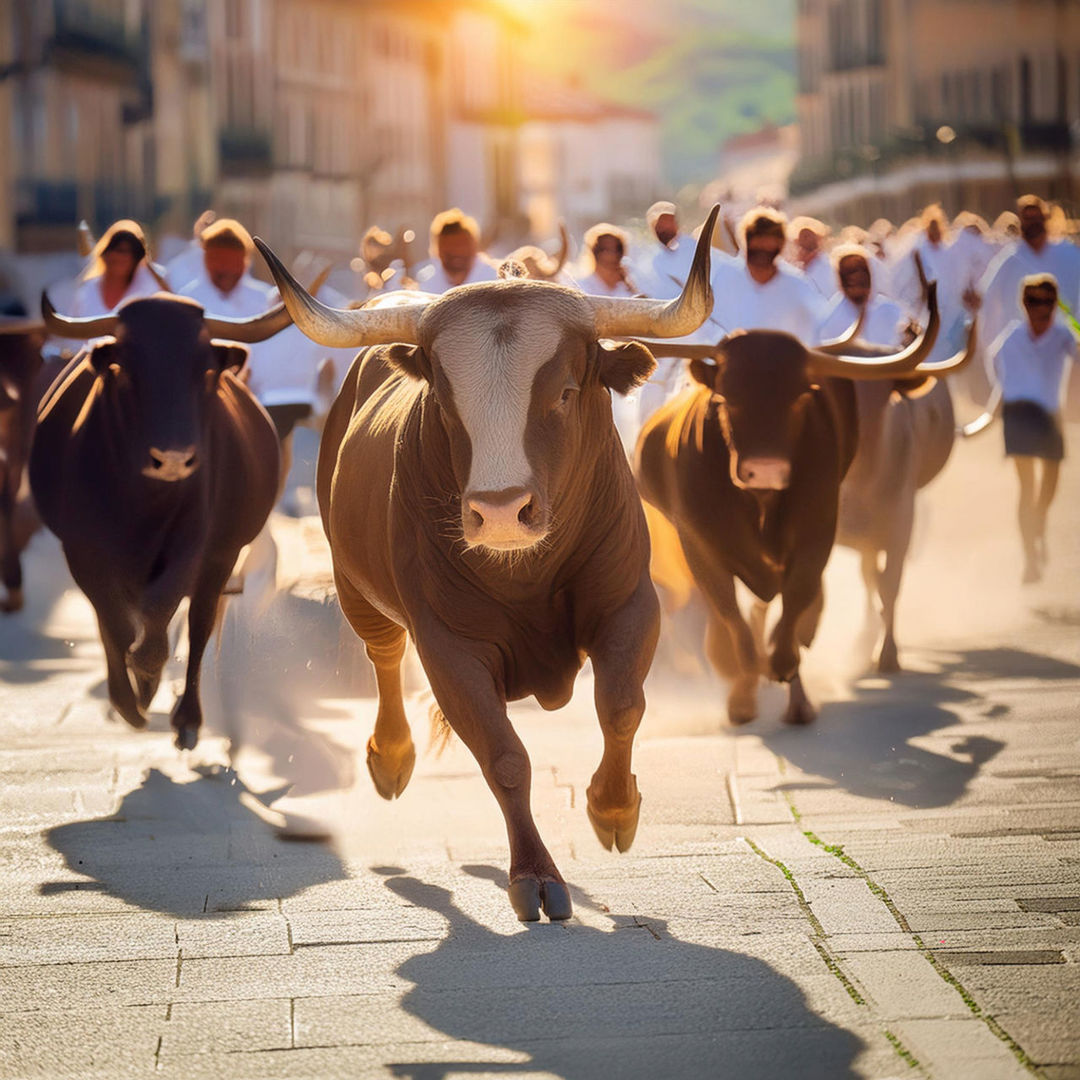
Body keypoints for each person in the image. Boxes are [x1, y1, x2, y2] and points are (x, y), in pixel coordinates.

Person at [985, 273, 1076, 583]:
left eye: (1048, 302)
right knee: (1026, 487)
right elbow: (993, 361)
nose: (1042, 309)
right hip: (1019, 413)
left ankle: (1039, 524)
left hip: (1051, 415)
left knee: (1049, 486)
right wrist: (1005, 388)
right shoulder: (1012, 336)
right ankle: (1030, 560)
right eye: (1035, 301)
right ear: (1024, 305)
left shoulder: (1063, 335)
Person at [977, 194, 1080, 353]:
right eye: (1027, 219)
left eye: (1036, 218)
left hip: (1064, 348)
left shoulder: (1069, 256)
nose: (1033, 224)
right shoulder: (1010, 260)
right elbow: (989, 301)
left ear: (1045, 219)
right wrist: (991, 346)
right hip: (1021, 351)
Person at [710, 207, 827, 342]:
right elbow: (711, 328)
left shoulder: (798, 286)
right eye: (757, 238)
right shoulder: (725, 278)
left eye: (769, 241)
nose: (763, 246)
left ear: (780, 244)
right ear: (745, 241)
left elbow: (821, 331)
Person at [71, 220, 166, 317]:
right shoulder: (87, 291)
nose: (124, 257)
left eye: (132, 253)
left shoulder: (148, 289)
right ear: (105, 253)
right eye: (119, 250)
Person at [819, 245, 905, 348]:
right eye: (849, 272)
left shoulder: (891, 310)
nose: (857, 276)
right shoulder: (831, 319)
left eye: (862, 270)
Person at [413, 208, 498, 294]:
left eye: (462, 245)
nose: (457, 252)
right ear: (437, 250)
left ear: (474, 246)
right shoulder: (426, 282)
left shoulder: (495, 279)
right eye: (449, 247)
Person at [635, 200, 697, 300]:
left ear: (676, 223)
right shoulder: (649, 256)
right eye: (659, 225)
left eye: (668, 223)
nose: (664, 228)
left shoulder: (693, 248)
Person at [577, 223, 636, 297]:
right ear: (594, 253)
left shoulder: (630, 286)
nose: (613, 255)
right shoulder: (581, 288)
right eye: (606, 250)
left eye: (617, 249)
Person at [788, 216, 837, 300]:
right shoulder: (798, 270)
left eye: (808, 236)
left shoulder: (828, 265)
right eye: (802, 237)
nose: (805, 240)